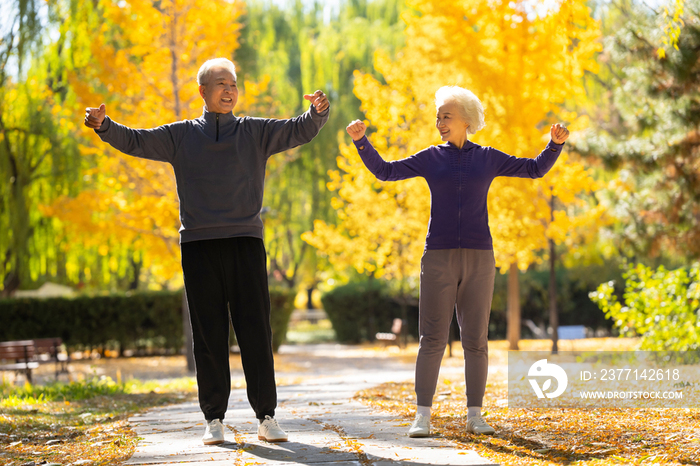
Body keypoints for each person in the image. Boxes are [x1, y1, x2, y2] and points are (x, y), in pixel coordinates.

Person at [84, 57, 330, 445]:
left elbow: (298, 130)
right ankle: (213, 419)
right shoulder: (180, 135)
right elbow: (136, 140)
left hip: (246, 241)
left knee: (255, 332)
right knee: (208, 335)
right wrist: (104, 126)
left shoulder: (255, 132)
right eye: (220, 84)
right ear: (202, 91)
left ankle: (266, 417)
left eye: (233, 83)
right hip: (198, 244)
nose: (229, 90)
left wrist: (317, 112)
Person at [346, 85, 569, 437]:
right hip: (438, 257)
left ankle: (475, 415)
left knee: (476, 340)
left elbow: (534, 169)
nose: (439, 122)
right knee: (431, 338)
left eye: (446, 116)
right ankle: (422, 416)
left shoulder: (488, 157)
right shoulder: (431, 157)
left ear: (467, 120)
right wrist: (362, 141)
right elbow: (386, 172)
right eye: (437, 117)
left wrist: (554, 145)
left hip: (480, 258)